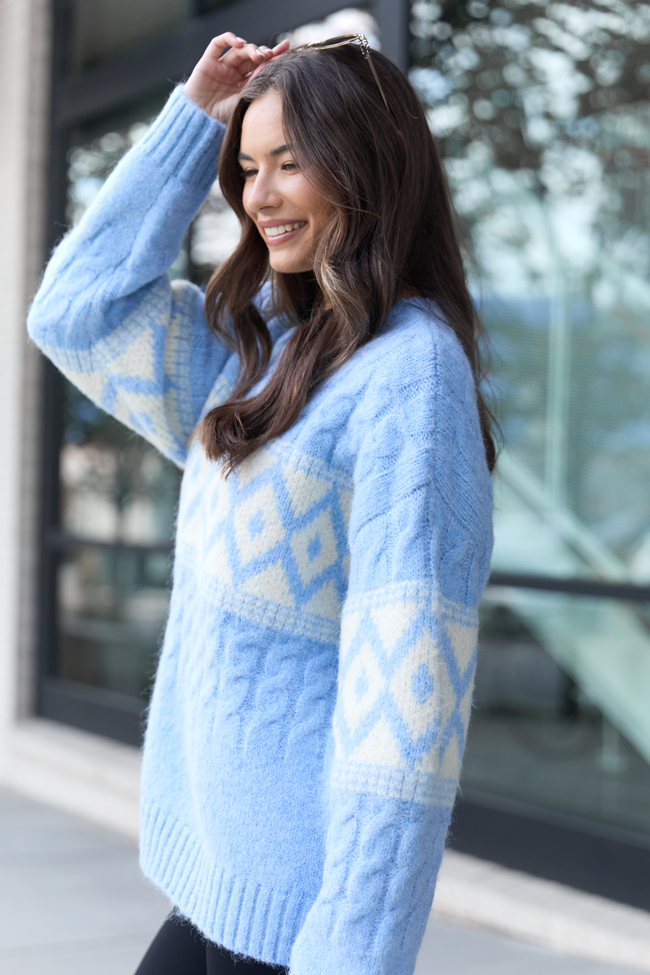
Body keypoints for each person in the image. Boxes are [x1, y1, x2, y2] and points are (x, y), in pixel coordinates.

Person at [27, 30, 494, 975]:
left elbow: (407, 715)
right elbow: (73, 311)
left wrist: (351, 952)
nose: (259, 196)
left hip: (298, 919)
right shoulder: (268, 350)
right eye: (246, 168)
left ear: (367, 165)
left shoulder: (411, 378)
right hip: (209, 880)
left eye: (290, 162)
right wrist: (193, 120)